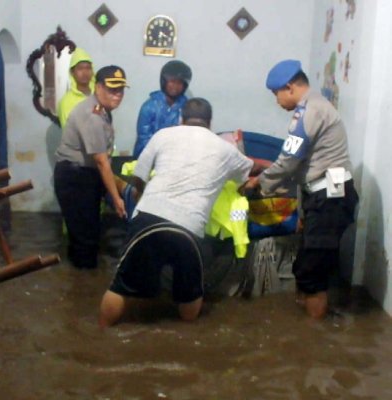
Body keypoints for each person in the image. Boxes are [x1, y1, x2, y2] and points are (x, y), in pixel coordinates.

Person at [99, 98, 253, 326]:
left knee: (120, 287)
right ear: (210, 123)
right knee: (190, 295)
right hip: (189, 228)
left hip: (149, 218)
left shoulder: (163, 135)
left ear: (182, 118)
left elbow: (139, 176)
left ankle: (101, 333)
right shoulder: (225, 149)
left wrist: (139, 194)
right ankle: (185, 342)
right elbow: (245, 176)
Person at [243, 59, 358, 319]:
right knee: (306, 268)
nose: (277, 101)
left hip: (330, 198)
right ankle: (308, 328)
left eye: (276, 94)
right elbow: (303, 169)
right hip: (323, 197)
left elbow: (288, 161)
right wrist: (303, 215)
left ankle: (313, 340)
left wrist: (259, 183)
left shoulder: (310, 111)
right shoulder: (315, 107)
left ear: (290, 87)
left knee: (311, 273)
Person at [54, 65, 129, 269]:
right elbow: (101, 161)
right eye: (112, 89)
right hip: (75, 178)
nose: (117, 95)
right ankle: (82, 288)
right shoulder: (92, 116)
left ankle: (78, 282)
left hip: (86, 176)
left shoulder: (103, 111)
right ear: (98, 88)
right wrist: (116, 198)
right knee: (85, 238)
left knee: (88, 232)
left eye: (120, 90)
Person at [132, 60, 192, 158]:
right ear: (164, 81)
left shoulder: (187, 107)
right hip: (147, 158)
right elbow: (144, 140)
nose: (175, 86)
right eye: (172, 81)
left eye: (179, 83)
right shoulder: (149, 107)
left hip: (177, 159)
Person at [56, 47, 94, 127]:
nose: (85, 73)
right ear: (72, 72)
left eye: (88, 68)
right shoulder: (66, 102)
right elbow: (68, 133)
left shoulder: (99, 95)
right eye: (80, 68)